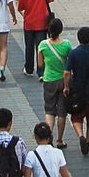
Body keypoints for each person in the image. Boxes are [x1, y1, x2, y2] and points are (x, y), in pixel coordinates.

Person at [64, 25, 89, 155]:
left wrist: (66, 87)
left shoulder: (73, 53)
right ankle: (88, 141)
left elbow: (67, 72)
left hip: (77, 91)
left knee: (76, 116)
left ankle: (80, 135)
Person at [37, 17, 72, 147]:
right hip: (63, 81)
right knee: (62, 112)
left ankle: (48, 137)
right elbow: (70, 63)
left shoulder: (43, 45)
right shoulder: (67, 44)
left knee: (49, 110)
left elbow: (40, 65)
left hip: (49, 80)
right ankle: (59, 140)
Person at [17, 0, 54, 77]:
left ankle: (29, 69)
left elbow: (20, 8)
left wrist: (25, 15)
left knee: (29, 47)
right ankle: (41, 71)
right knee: (41, 47)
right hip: (42, 22)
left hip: (29, 23)